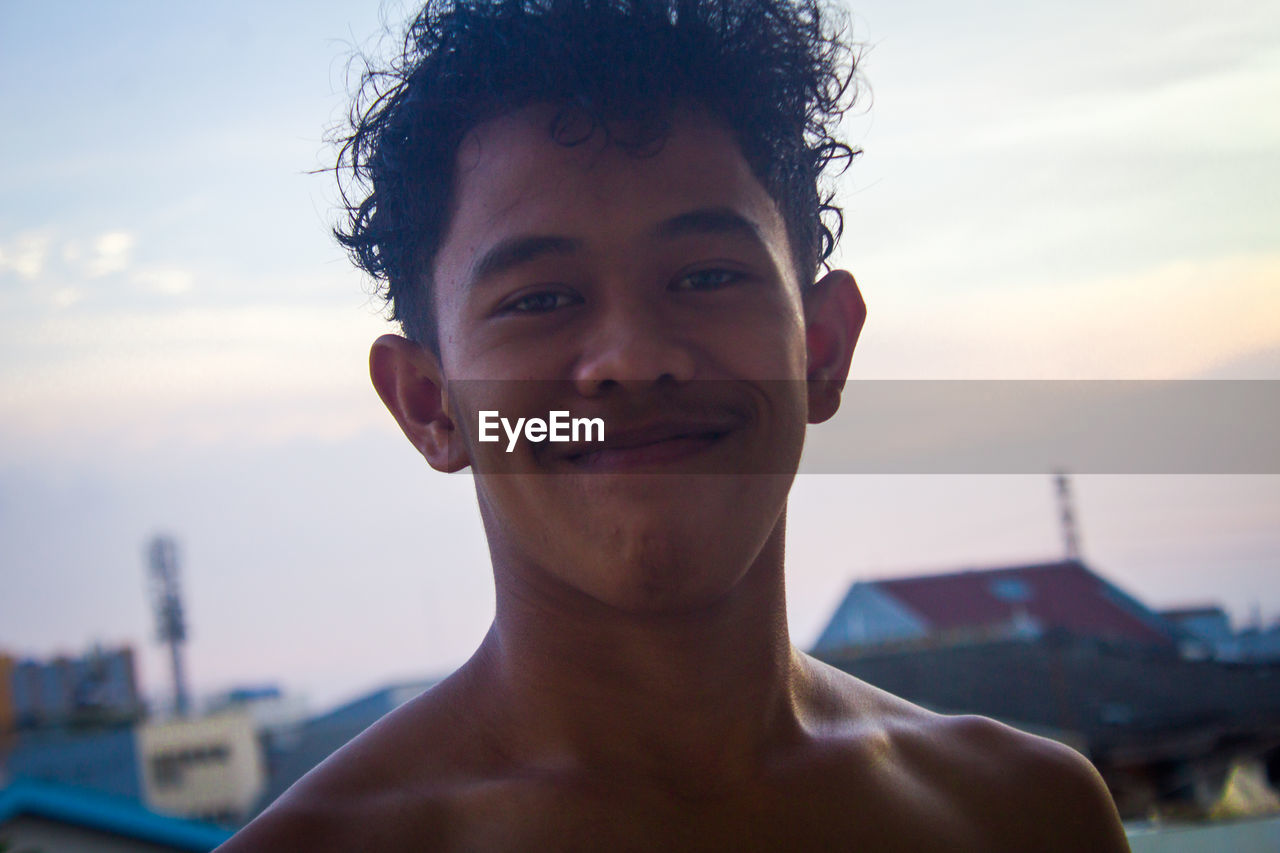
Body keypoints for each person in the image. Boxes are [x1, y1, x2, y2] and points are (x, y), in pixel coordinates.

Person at [221, 0, 1130, 848]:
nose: (632, 357)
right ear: (430, 405)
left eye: (705, 276)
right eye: (540, 298)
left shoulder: (1028, 819)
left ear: (822, 346)